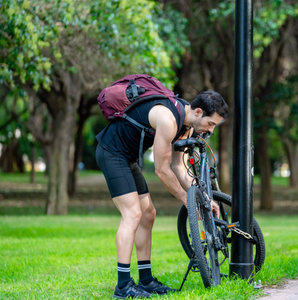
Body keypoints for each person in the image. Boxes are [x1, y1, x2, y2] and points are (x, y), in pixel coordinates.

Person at [95, 89, 228, 298]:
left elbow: (179, 168)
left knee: (148, 214)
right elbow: (161, 170)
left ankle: (146, 281)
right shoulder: (168, 119)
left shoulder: (187, 125)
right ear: (198, 111)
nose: (210, 131)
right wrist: (186, 200)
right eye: (210, 124)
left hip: (127, 158)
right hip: (112, 152)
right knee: (133, 214)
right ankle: (122, 286)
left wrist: (202, 199)